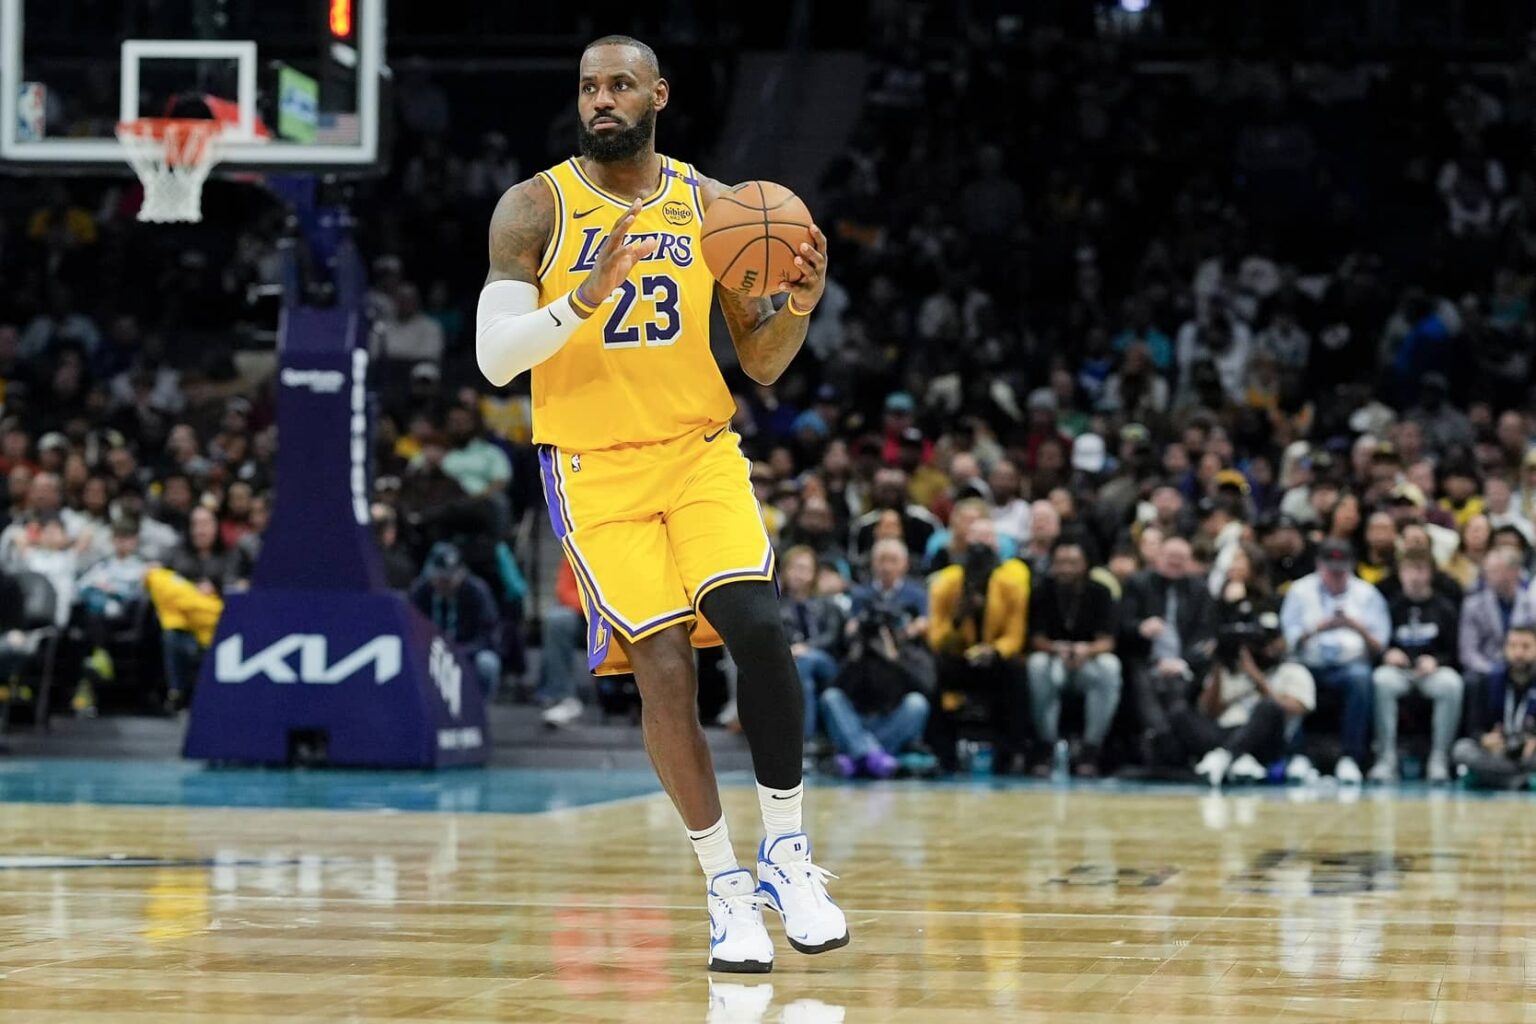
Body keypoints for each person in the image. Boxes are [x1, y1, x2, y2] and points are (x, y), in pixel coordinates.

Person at [474, 35, 844, 973]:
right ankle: (724, 886)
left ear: (658, 96)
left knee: (759, 624)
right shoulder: (534, 208)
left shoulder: (714, 205)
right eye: (591, 86)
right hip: (594, 468)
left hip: (697, 450)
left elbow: (758, 361)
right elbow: (494, 358)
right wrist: (582, 298)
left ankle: (787, 853)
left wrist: (797, 302)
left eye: (620, 85)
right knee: (665, 665)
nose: (602, 99)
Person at [1279, 538, 1390, 783]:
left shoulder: (1367, 594)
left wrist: (1356, 627)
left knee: (1361, 678)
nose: (1337, 576)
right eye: (1331, 571)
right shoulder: (1299, 591)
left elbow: (1379, 646)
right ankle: (1297, 755)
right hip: (1308, 663)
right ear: (1319, 566)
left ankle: (1351, 757)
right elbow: (1288, 641)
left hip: (1350, 665)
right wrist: (1316, 628)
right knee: (1291, 676)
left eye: (1342, 571)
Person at [926, 518, 1030, 772]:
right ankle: (942, 754)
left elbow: (1015, 636)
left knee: (1016, 673)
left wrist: (993, 651)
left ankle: (1012, 753)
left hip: (995, 659)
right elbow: (937, 638)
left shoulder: (1011, 584)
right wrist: (959, 618)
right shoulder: (946, 584)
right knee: (934, 670)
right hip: (959, 658)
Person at [1117, 536, 1218, 767]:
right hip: (1145, 658)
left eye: (1181, 559)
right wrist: (1141, 628)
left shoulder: (1199, 589)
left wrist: (1182, 661)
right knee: (1143, 681)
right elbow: (1121, 625)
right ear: (1158, 557)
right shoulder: (1138, 583)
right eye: (1171, 557)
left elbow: (1205, 635)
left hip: (1184, 663)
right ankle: (1162, 740)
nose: (1175, 563)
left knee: (1177, 689)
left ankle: (1172, 751)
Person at [1025, 537, 1122, 776]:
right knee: (1036, 665)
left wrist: (1085, 650)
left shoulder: (1100, 591)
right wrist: (1057, 649)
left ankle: (1090, 748)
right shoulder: (1042, 589)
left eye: (1073, 562)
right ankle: (1045, 746)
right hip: (1054, 659)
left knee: (1110, 666)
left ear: (1085, 564)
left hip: (1087, 662)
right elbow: (1034, 639)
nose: (1066, 568)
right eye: (1061, 562)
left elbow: (1108, 640)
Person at [1174, 626, 1316, 786]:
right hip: (1227, 734)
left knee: (1269, 706)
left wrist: (1255, 675)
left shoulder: (1293, 671)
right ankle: (1233, 759)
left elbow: (1292, 709)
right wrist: (1218, 664)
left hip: (1267, 742)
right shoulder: (1231, 672)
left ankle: (1224, 757)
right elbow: (1209, 711)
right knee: (1180, 713)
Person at [1369, 549, 1464, 783]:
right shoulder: (1390, 606)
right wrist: (1387, 654)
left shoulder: (1445, 608)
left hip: (1432, 672)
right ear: (1400, 574)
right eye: (1409, 570)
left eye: (1421, 570)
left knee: (1452, 684)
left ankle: (1439, 758)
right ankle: (1386, 758)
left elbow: (1455, 653)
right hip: (1398, 672)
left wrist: (1437, 661)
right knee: (1381, 680)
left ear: (1430, 574)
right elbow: (1376, 645)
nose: (1415, 577)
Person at [1452, 626, 1536, 789]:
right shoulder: (1489, 681)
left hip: (1529, 753)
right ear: (1504, 648)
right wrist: (1484, 739)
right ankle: (1520, 781)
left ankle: (1493, 779)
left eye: (1526, 647)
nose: (1518, 653)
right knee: (1461, 749)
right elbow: (1474, 728)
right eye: (1512, 646)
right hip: (1497, 753)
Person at [778, 545, 846, 745]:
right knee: (802, 672)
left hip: (826, 664)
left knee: (806, 661)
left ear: (814, 573)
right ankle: (807, 740)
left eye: (804, 568)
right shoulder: (776, 607)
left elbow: (832, 637)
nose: (799, 574)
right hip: (791, 663)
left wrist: (806, 647)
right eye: (794, 568)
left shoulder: (828, 604)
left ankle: (803, 741)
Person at [1459, 549, 1536, 688]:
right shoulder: (1473, 605)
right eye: (1487, 570)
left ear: (1512, 573)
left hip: (1525, 665)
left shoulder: (1531, 603)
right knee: (1473, 680)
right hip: (1487, 668)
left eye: (1493, 571)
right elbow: (1468, 653)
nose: (1486, 576)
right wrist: (1493, 670)